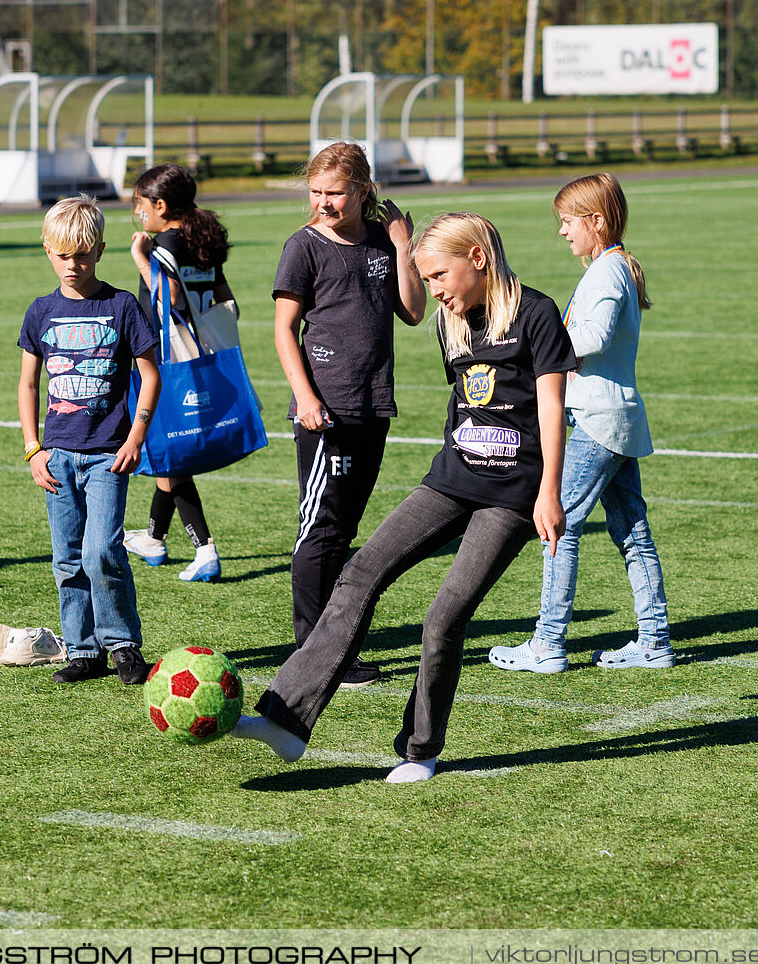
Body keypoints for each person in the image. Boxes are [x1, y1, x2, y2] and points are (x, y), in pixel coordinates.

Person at [233, 213, 575, 782]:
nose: (434, 289)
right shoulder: (452, 320)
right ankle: (285, 720)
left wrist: (549, 494)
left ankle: (420, 750)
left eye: (440, 274)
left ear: (479, 259)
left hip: (514, 494)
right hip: (451, 478)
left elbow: (550, 410)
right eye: (428, 277)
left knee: (445, 618)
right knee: (360, 573)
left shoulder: (537, 314)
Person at [491, 173, 671, 673]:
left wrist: (542, 339)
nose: (563, 232)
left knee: (556, 525)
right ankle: (654, 641)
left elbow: (594, 336)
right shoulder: (612, 268)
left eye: (569, 223)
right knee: (633, 532)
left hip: (599, 420)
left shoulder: (609, 272)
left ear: (596, 222)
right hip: (614, 416)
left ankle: (547, 643)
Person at [272, 143, 426, 687]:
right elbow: (283, 330)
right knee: (320, 532)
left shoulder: (384, 243)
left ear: (362, 190)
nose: (323, 203)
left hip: (372, 404)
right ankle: (313, 653)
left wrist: (404, 244)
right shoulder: (304, 246)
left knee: (345, 531)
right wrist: (307, 398)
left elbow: (413, 311)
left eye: (334, 193)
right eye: (316, 193)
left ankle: (334, 647)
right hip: (326, 412)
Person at [17, 196, 161, 685]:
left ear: (99, 251)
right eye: (62, 255)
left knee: (102, 549)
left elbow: (150, 373)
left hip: (107, 456)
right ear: (47, 251)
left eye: (82, 255)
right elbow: (28, 385)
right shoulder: (40, 312)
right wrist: (34, 449)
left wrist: (137, 434)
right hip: (56, 457)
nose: (72, 265)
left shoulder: (121, 306)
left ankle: (121, 644)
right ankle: (83, 650)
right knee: (66, 557)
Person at [125, 163, 236, 584]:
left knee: (172, 455)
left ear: (161, 205)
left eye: (140, 204)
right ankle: (154, 537)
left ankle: (205, 549)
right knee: (170, 452)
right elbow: (225, 297)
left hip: (170, 360)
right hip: (200, 355)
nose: (138, 213)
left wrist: (140, 257)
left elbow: (168, 297)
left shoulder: (164, 244)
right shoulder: (199, 240)